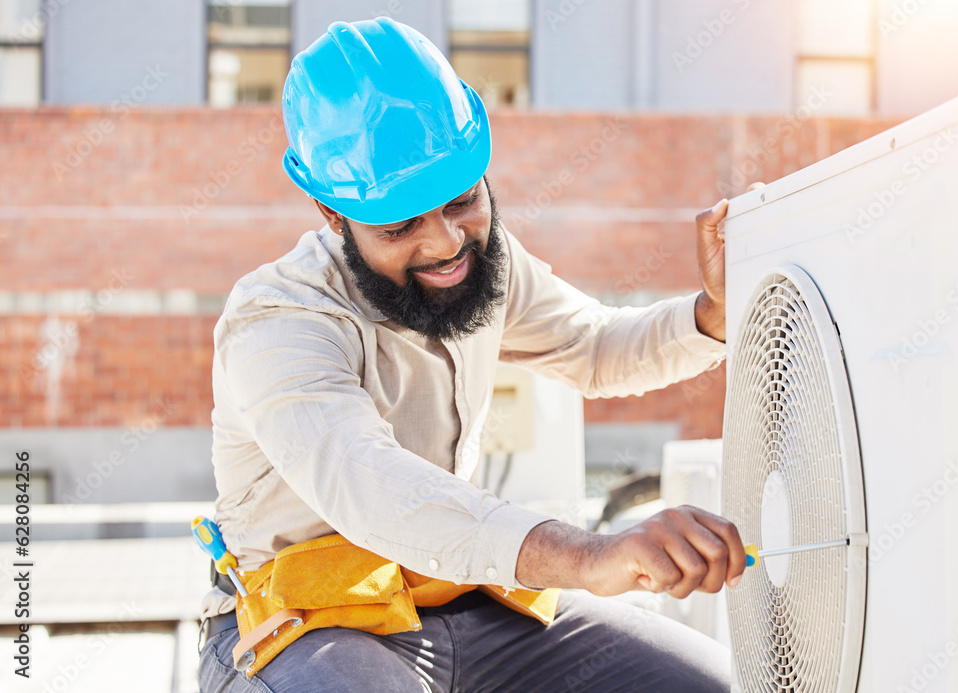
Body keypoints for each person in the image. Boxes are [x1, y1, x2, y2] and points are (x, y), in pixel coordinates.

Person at [198, 16, 746, 693]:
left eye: (462, 199)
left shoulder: (485, 261)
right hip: (307, 627)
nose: (445, 244)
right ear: (330, 210)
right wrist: (589, 554)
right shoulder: (278, 320)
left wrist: (713, 312)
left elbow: (595, 347)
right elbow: (370, 486)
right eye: (401, 223)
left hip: (458, 597)